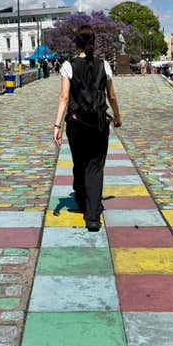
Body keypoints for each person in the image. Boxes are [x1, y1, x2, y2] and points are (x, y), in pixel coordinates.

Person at [53, 25, 122, 231]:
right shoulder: (104, 65)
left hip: (76, 123)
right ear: (94, 42)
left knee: (80, 162)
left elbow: (64, 97)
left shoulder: (68, 65)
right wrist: (117, 116)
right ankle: (93, 216)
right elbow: (111, 96)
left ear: (76, 43)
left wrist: (57, 125)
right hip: (99, 123)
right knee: (95, 166)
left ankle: (82, 201)